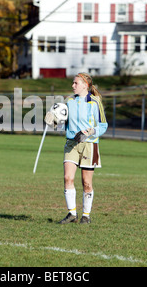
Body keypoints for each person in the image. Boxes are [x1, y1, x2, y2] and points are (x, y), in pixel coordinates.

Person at [46, 73, 108, 224]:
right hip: (71, 144)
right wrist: (52, 121)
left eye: (75, 83)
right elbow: (62, 122)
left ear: (85, 85)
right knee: (68, 178)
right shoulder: (69, 101)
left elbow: (103, 125)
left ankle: (86, 215)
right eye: (73, 83)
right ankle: (71, 214)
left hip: (89, 144)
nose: (72, 86)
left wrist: (92, 131)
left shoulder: (95, 102)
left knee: (86, 183)